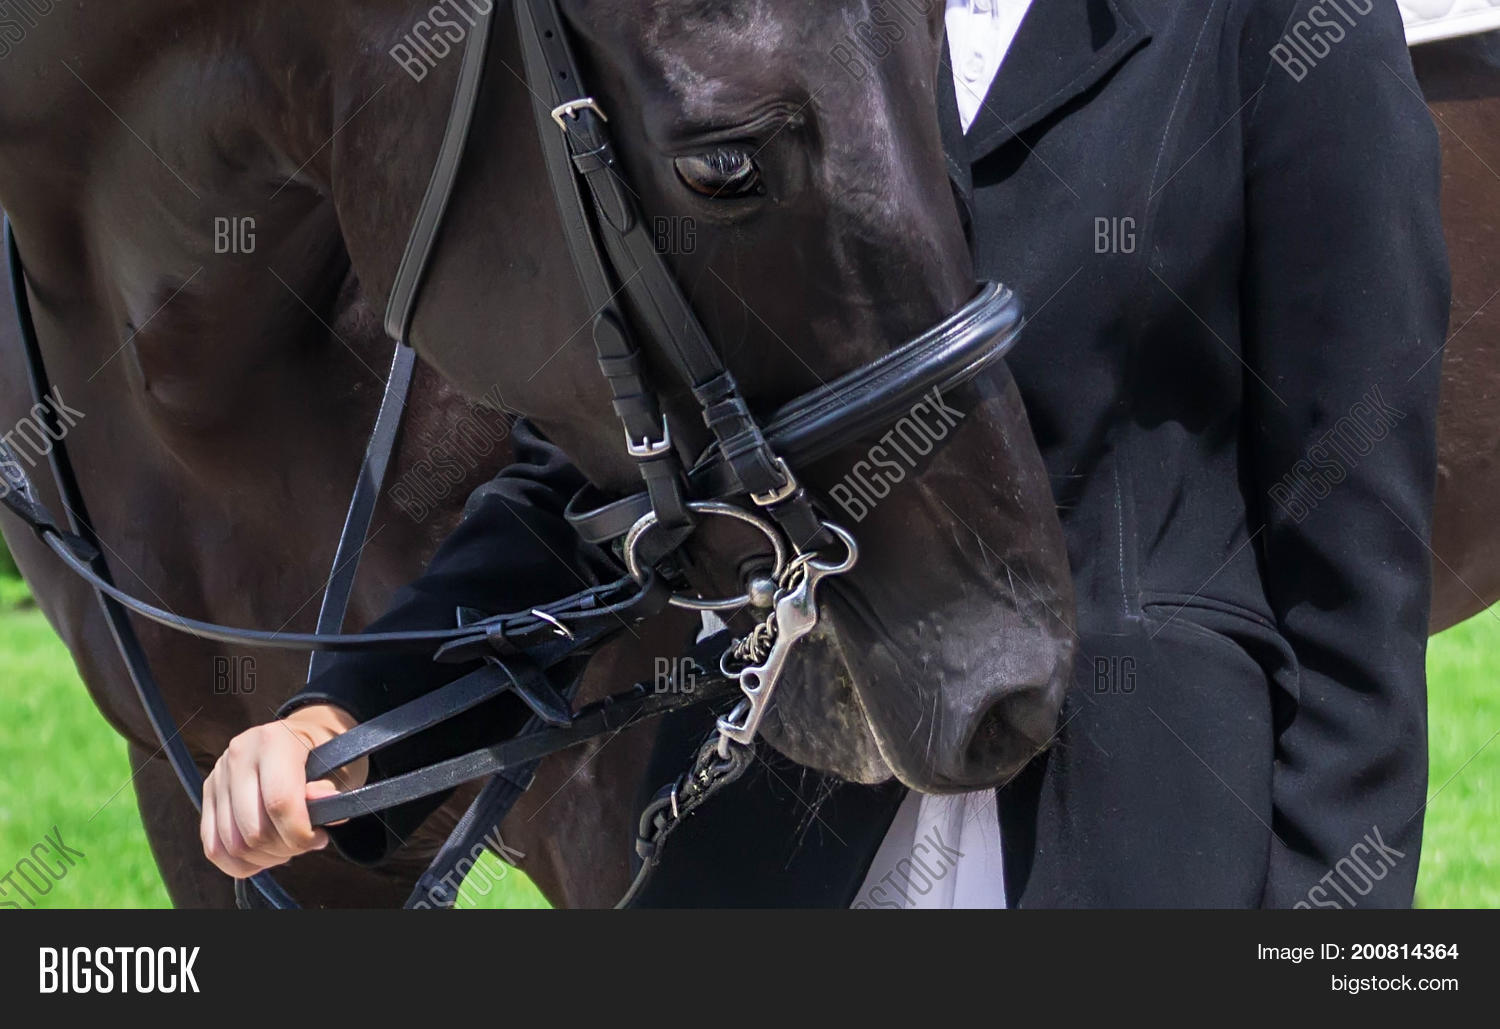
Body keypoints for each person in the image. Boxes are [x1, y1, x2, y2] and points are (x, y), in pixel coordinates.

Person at [203, 0, 1449, 908]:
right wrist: (358, 716)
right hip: (773, 826)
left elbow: (1353, 546)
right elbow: (592, 469)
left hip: (1147, 822)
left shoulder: (1277, 25)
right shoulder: (760, 40)